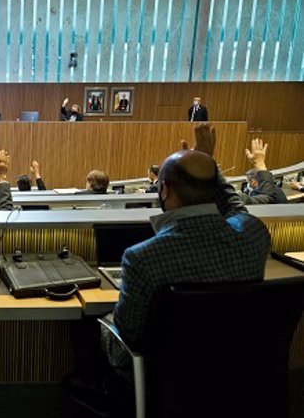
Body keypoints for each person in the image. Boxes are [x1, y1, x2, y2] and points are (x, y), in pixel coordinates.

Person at [65, 124, 271, 417]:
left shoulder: (143, 258)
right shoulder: (254, 234)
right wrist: (206, 160)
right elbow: (234, 206)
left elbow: (130, 337)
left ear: (163, 189)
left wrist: (105, 316)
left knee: (86, 320)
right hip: (237, 372)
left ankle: (105, 395)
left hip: (163, 376)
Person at [239, 139, 287, 204]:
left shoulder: (255, 193)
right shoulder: (276, 189)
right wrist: (260, 163)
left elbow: (267, 199)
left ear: (253, 181)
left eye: (248, 181)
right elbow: (268, 197)